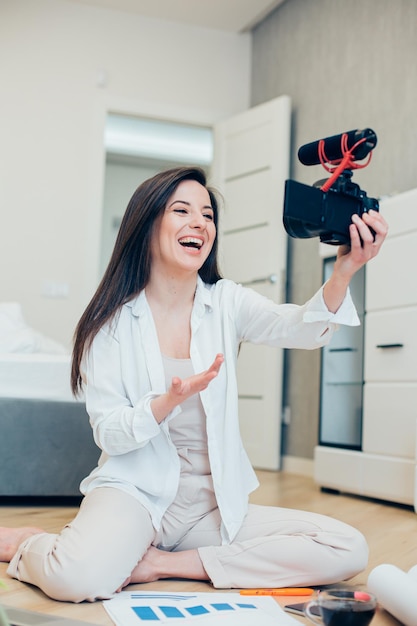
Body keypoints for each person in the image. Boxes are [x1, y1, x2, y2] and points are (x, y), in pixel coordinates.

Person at [0, 166, 388, 602]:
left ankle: (162, 563)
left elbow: (297, 328)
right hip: (136, 496)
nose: (200, 223)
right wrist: (163, 404)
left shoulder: (225, 301)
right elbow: (107, 432)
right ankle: (29, 544)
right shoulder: (108, 324)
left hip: (210, 506)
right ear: (147, 226)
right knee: (78, 580)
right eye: (181, 210)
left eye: (207, 214)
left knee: (347, 547)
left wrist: (345, 270)